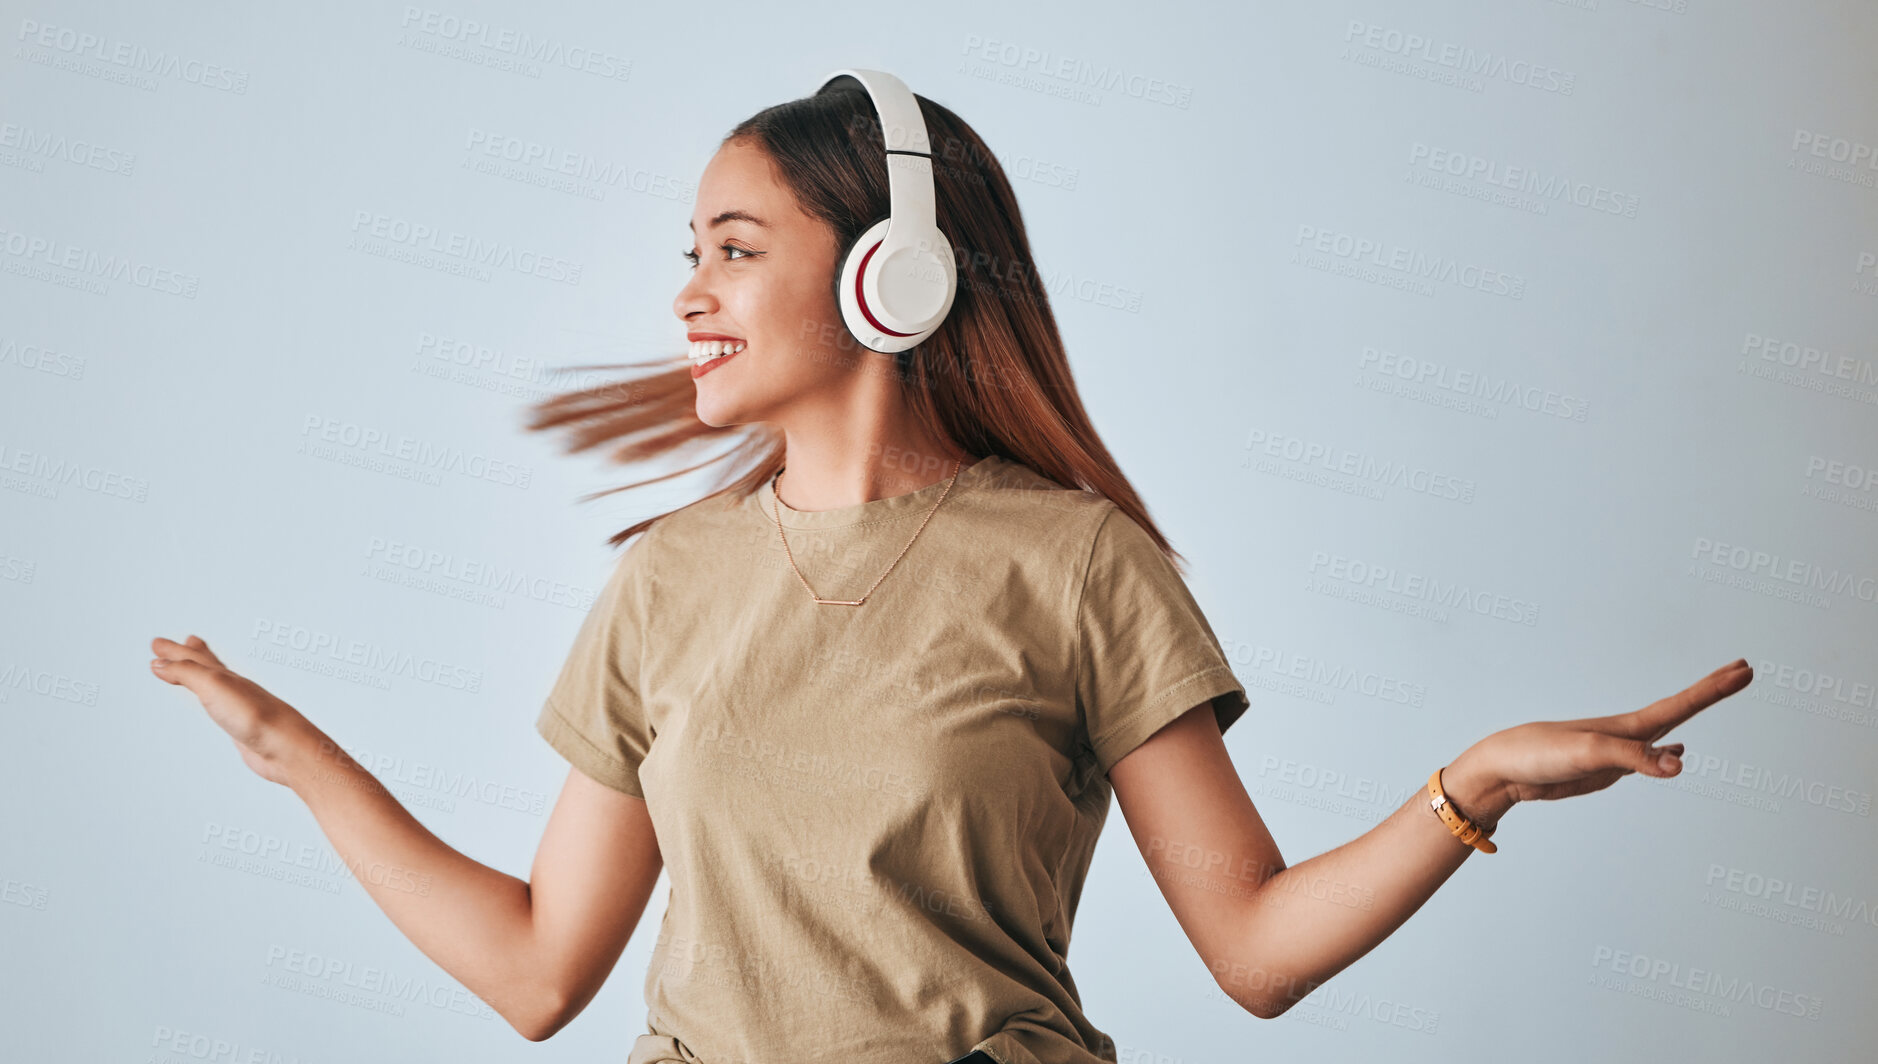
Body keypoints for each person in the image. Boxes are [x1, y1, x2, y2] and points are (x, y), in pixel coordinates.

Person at [148, 71, 1755, 1064]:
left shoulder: (1074, 566)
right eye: (685, 249)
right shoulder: (664, 585)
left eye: (730, 246)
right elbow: (536, 973)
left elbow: (1254, 955)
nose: (687, 293)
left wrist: (1471, 784)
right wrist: (293, 757)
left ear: (890, 276)